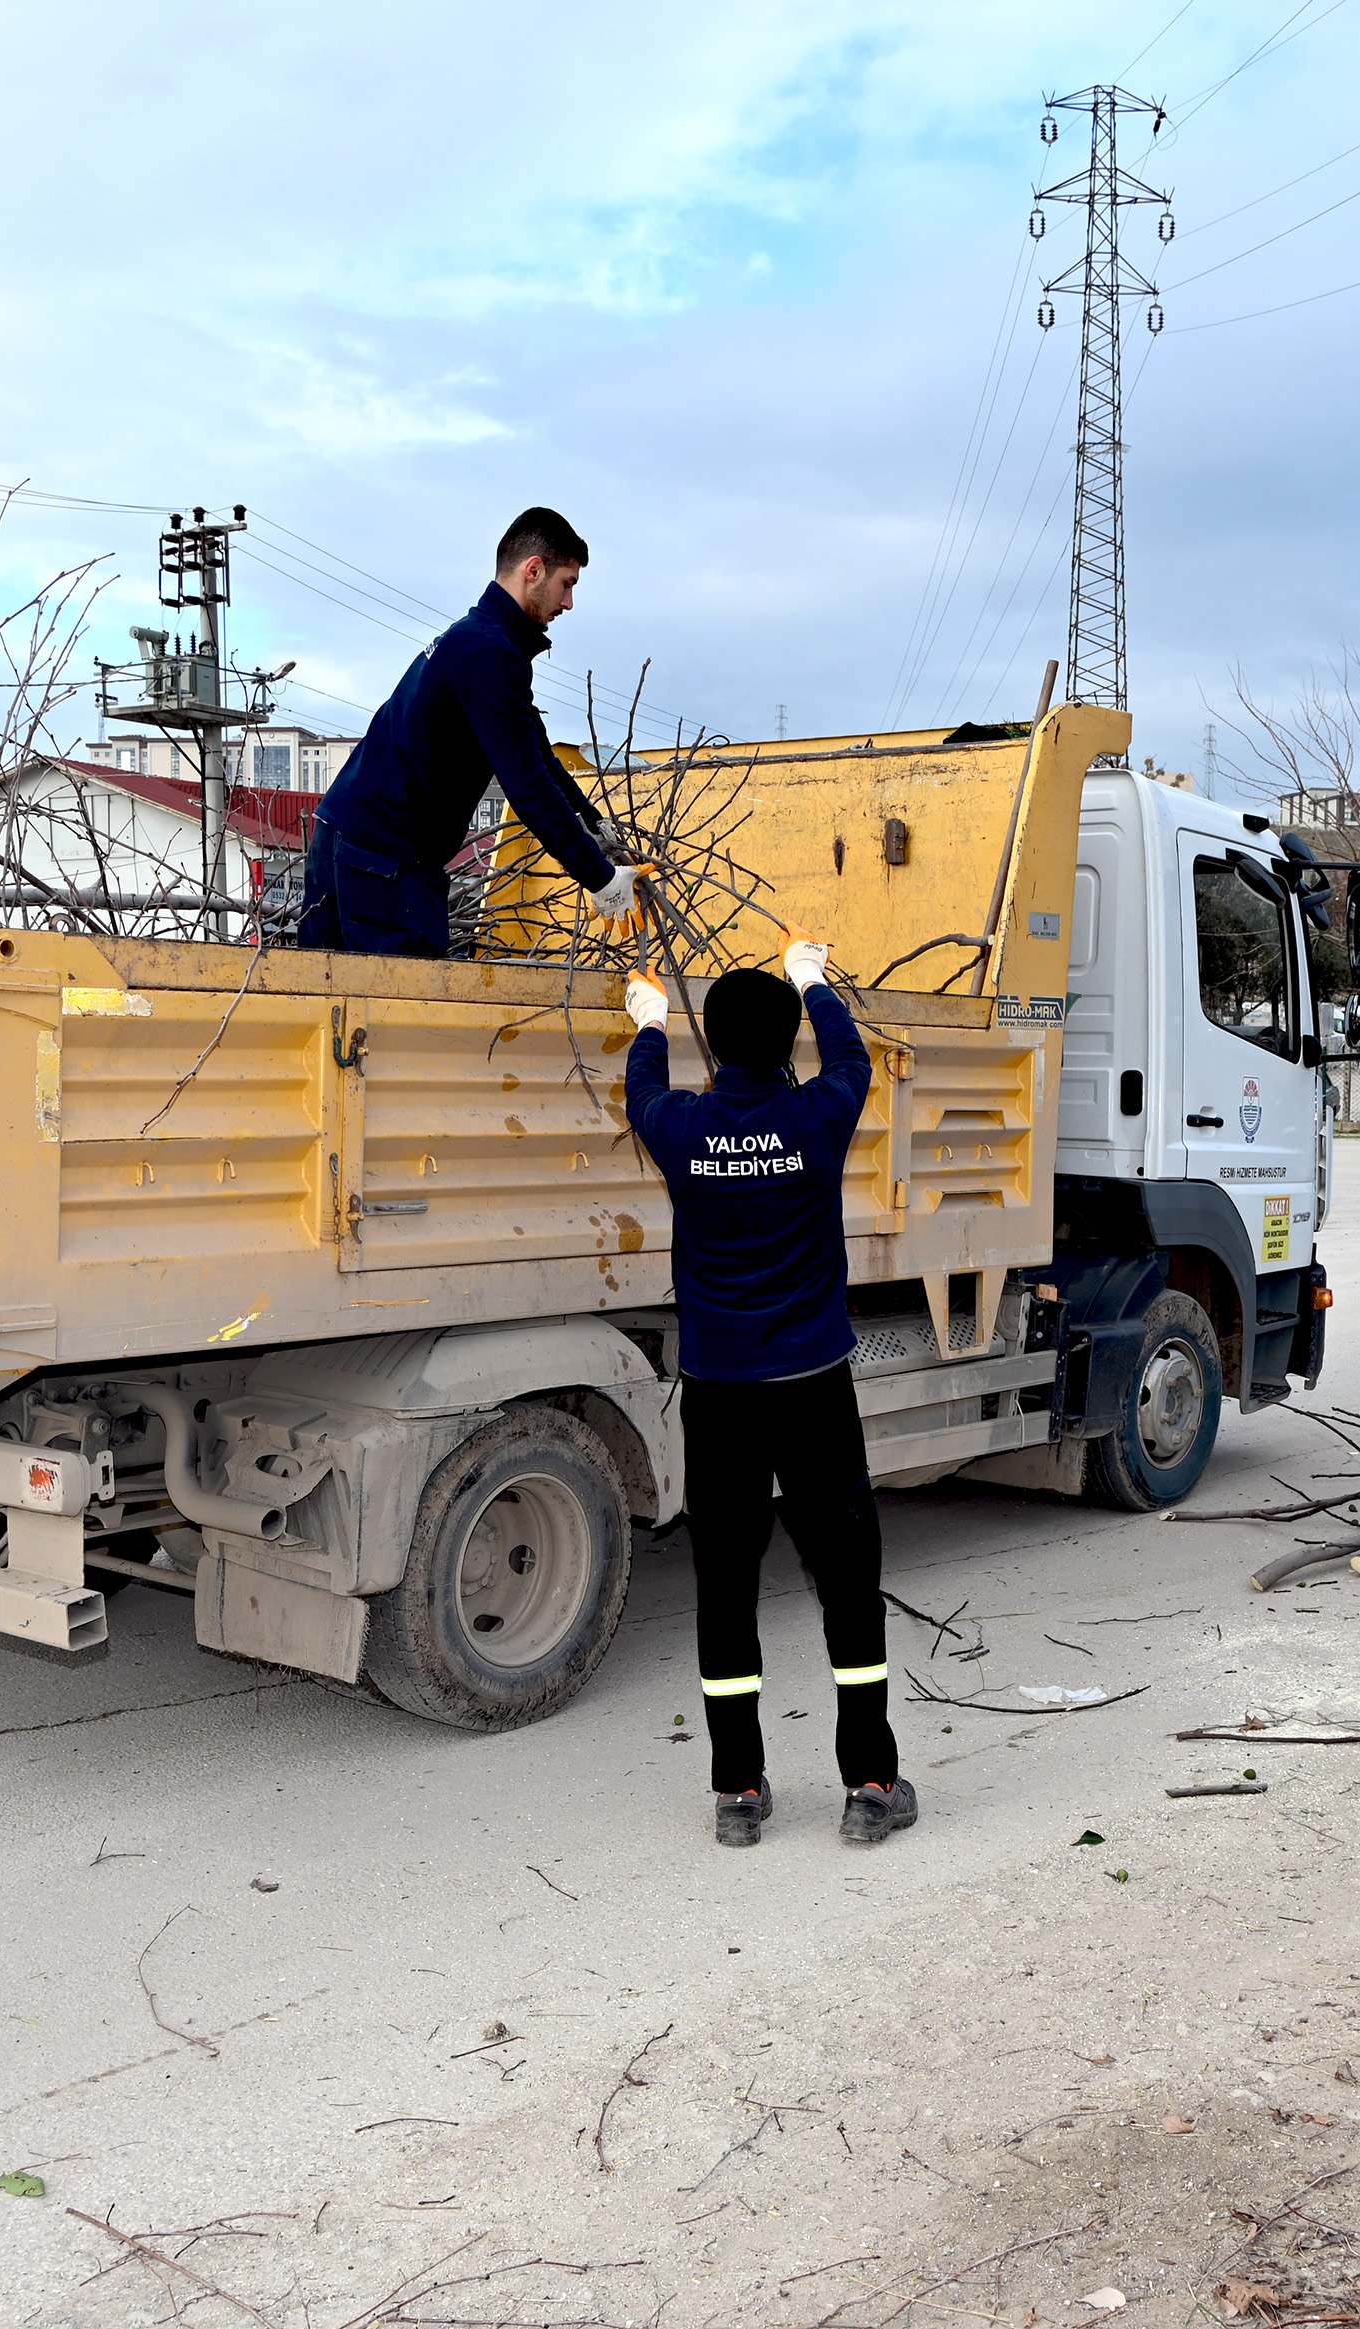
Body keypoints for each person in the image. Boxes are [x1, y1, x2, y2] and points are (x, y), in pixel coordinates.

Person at [622, 933, 912, 1849]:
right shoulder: (817, 1118)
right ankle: (869, 1783)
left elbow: (641, 1090)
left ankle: (737, 1793)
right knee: (848, 1578)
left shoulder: (680, 1127)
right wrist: (814, 979)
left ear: (713, 1041)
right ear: (788, 1046)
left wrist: (649, 1023)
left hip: (720, 1393)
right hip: (814, 1386)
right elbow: (856, 1056)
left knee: (725, 1582)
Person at [297, 507, 644, 958]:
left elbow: (538, 754)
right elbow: (528, 785)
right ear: (533, 570)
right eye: (567, 584)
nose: (569, 603)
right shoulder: (488, 654)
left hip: (349, 842)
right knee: (405, 1015)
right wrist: (598, 877)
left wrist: (597, 826)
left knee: (329, 1004)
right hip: (383, 863)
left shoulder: (480, 641)